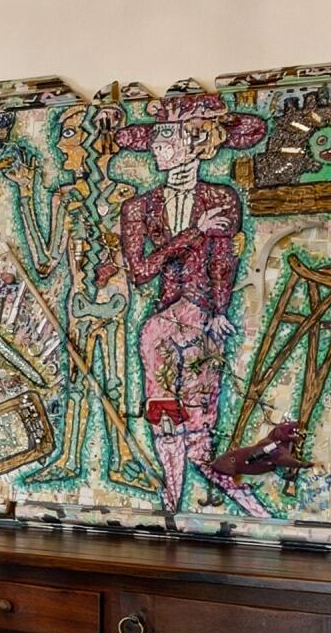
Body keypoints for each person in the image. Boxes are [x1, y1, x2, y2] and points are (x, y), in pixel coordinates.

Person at [114, 93, 272, 518]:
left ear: (197, 141)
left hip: (204, 323)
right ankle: (171, 502)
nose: (157, 146)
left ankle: (244, 507)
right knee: (166, 421)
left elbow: (223, 261)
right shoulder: (138, 207)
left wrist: (220, 311)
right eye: (155, 138)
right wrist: (192, 233)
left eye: (167, 137)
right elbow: (141, 271)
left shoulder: (222, 198)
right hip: (161, 325)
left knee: (200, 435)